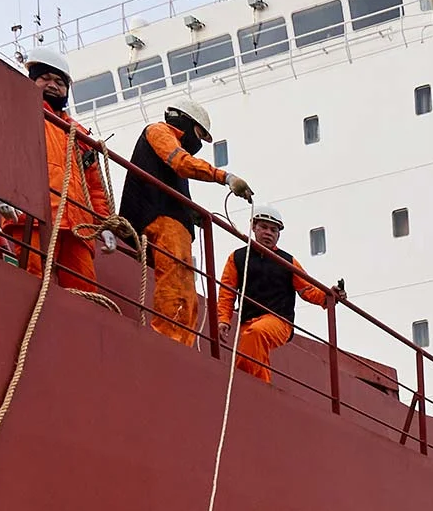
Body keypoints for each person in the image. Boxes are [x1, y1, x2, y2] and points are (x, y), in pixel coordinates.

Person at [121, 106, 251, 347]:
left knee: (188, 295)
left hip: (172, 223)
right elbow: (180, 163)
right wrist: (225, 177)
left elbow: (167, 181)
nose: (199, 142)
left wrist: (190, 213)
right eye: (199, 134)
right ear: (185, 121)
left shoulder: (173, 146)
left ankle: (183, 344)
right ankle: (170, 342)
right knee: (176, 285)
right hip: (163, 222)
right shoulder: (158, 131)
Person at [23, 58, 122, 295]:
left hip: (78, 228)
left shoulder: (80, 137)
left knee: (85, 296)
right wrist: (5, 195)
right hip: (34, 219)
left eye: (59, 82)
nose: (53, 85)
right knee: (30, 285)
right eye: (44, 78)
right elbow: (5, 155)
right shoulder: (23, 114)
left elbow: (95, 188)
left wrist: (105, 225)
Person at [216, 206, 336, 384]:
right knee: (257, 359)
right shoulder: (238, 258)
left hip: (279, 321)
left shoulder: (288, 262)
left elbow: (308, 290)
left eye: (273, 230)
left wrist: (329, 297)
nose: (268, 233)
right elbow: (227, 292)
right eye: (263, 227)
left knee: (256, 335)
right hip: (248, 322)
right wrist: (223, 320)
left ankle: (239, 386)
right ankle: (263, 395)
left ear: (278, 235)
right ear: (253, 227)